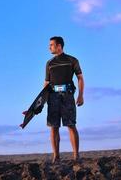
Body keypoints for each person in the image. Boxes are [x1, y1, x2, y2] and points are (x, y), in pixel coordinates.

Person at [44, 36, 84, 164]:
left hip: (67, 96)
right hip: (52, 96)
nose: (49, 47)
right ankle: (56, 156)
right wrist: (42, 99)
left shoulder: (72, 60)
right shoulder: (49, 63)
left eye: (51, 45)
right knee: (53, 126)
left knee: (71, 125)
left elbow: (80, 78)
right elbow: (46, 83)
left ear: (59, 46)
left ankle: (76, 156)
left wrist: (80, 95)